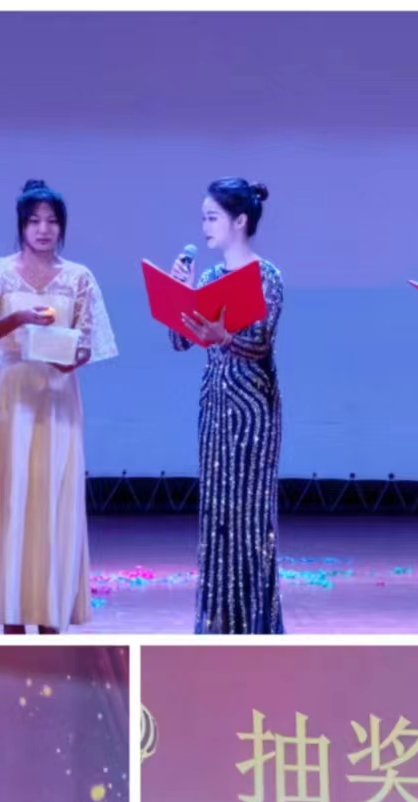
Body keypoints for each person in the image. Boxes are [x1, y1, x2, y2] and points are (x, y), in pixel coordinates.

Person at [0, 179, 117, 635]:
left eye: (52, 221)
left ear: (62, 227)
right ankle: (10, 616)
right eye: (34, 221)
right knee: (8, 498)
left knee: (52, 498)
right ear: (21, 226)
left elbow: (88, 344)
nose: (44, 229)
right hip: (8, 395)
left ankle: (50, 616)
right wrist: (18, 319)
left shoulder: (79, 277)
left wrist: (71, 360)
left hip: (56, 395)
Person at [169, 179, 285, 635]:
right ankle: (219, 624)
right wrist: (178, 295)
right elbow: (181, 341)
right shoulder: (210, 277)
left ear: (240, 221)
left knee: (250, 517)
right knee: (216, 515)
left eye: (213, 217)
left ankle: (256, 626)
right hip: (215, 402)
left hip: (253, 405)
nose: (205, 226)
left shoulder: (266, 276)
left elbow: (260, 344)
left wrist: (225, 337)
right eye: (203, 217)